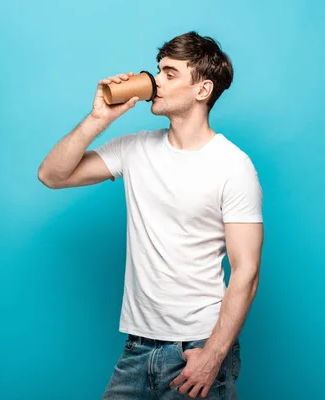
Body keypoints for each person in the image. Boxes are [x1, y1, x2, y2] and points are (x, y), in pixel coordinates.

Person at [37, 31, 264, 399]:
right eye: (158, 71)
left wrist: (213, 355)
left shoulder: (233, 166)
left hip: (196, 347)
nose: (156, 81)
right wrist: (99, 118)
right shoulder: (135, 148)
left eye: (170, 74)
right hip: (138, 348)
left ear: (202, 90)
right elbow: (52, 175)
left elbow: (247, 272)